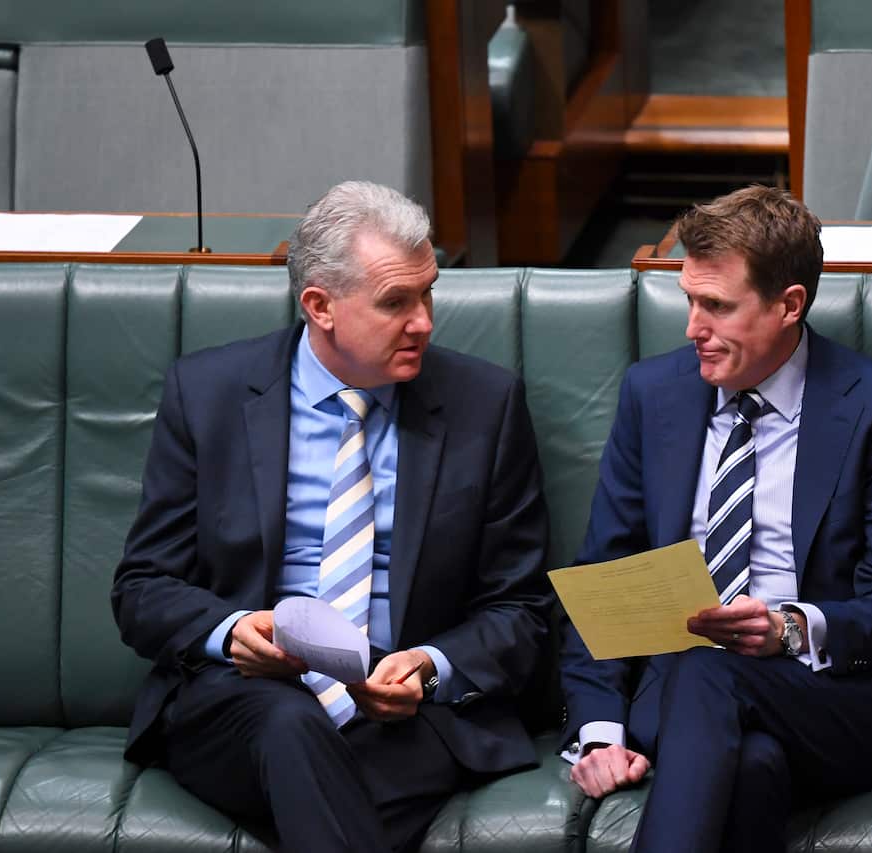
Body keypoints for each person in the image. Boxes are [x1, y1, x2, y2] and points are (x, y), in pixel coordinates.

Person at [558, 186, 872, 853]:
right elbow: (605, 577)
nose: (693, 327)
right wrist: (601, 727)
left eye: (717, 306)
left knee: (709, 669)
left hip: (832, 694)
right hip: (680, 701)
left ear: (789, 306)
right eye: (689, 299)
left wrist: (788, 627)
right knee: (750, 767)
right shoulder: (653, 394)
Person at [112, 180, 551, 853]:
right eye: (396, 303)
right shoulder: (209, 396)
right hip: (243, 696)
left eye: (429, 292)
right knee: (290, 726)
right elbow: (141, 587)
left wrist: (428, 665)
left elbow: (520, 608)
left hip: (407, 713)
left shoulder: (483, 406)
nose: (425, 321)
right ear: (320, 306)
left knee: (319, 779)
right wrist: (231, 631)